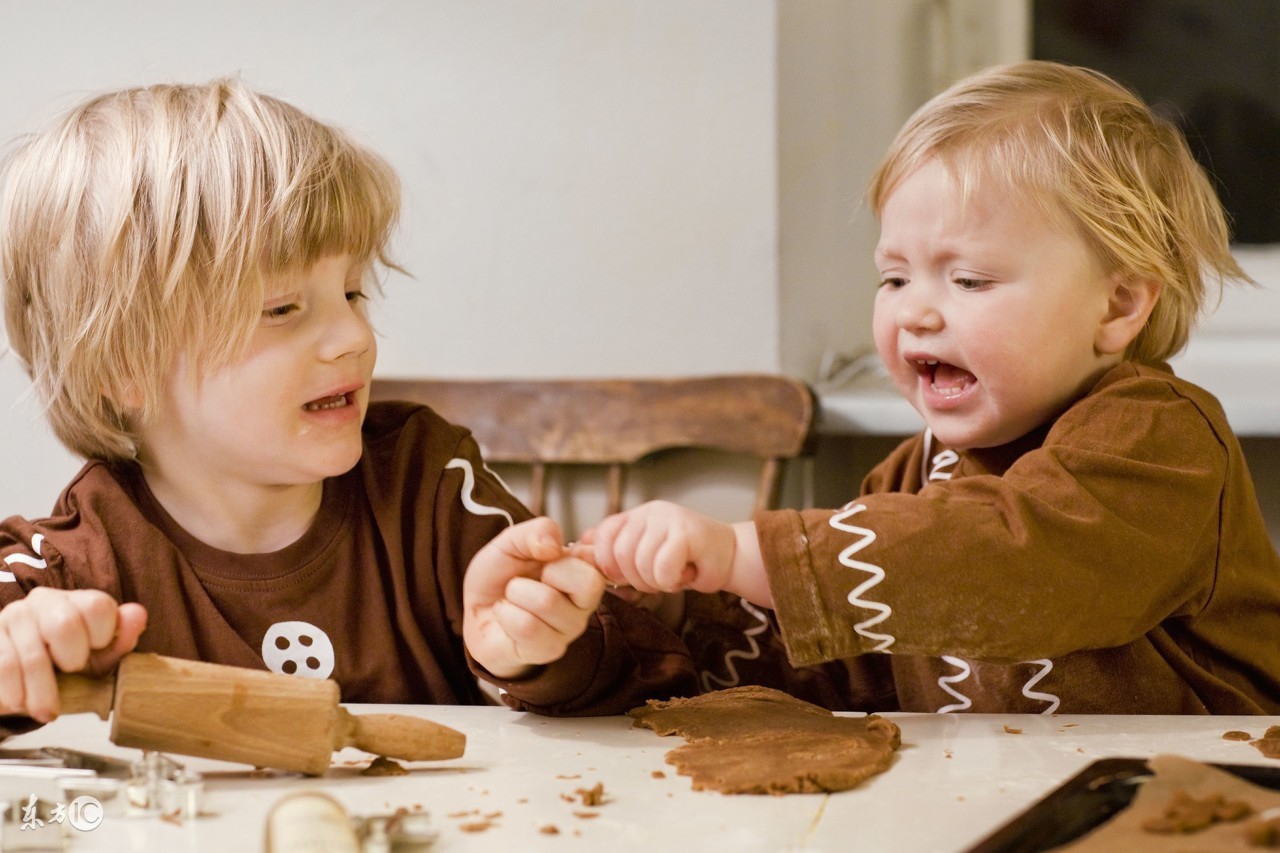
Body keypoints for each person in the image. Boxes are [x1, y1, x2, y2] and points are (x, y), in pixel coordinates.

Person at [582, 60, 1280, 714]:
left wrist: (746, 552)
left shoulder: (1163, 438)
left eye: (969, 279)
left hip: (1211, 785)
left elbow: (1015, 559)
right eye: (894, 278)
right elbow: (844, 666)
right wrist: (680, 604)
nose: (914, 311)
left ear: (1118, 306)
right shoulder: (916, 475)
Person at [0, 79, 695, 724]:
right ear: (126, 366)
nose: (355, 337)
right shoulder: (64, 571)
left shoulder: (430, 487)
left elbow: (649, 691)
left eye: (353, 293)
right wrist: (19, 657)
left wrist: (530, 652)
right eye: (281, 308)